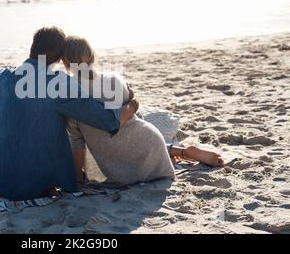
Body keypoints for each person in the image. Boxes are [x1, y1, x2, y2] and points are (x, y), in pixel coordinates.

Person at [0, 27, 139, 201]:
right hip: (32, 184)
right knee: (66, 117)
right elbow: (108, 121)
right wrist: (132, 104)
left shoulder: (0, 76)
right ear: (58, 56)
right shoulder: (59, 83)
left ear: (33, 47)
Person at [62, 36, 224, 186]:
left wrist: (77, 179)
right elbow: (133, 117)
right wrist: (133, 103)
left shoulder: (69, 95)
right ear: (92, 55)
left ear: (65, 63)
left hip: (117, 172)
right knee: (136, 128)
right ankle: (180, 151)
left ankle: (180, 151)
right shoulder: (114, 79)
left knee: (102, 140)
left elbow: (77, 143)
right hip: (152, 152)